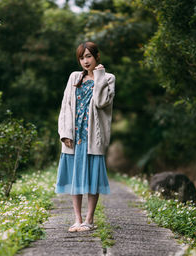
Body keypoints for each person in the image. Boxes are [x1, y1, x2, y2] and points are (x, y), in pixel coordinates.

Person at [55, 41, 116, 232]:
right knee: (75, 179)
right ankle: (77, 219)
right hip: (74, 136)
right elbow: (66, 106)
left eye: (88, 56)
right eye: (82, 57)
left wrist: (98, 76)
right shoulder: (74, 77)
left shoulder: (108, 78)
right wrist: (64, 133)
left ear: (97, 57)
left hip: (93, 138)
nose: (85, 61)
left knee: (92, 178)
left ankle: (89, 219)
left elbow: (100, 102)